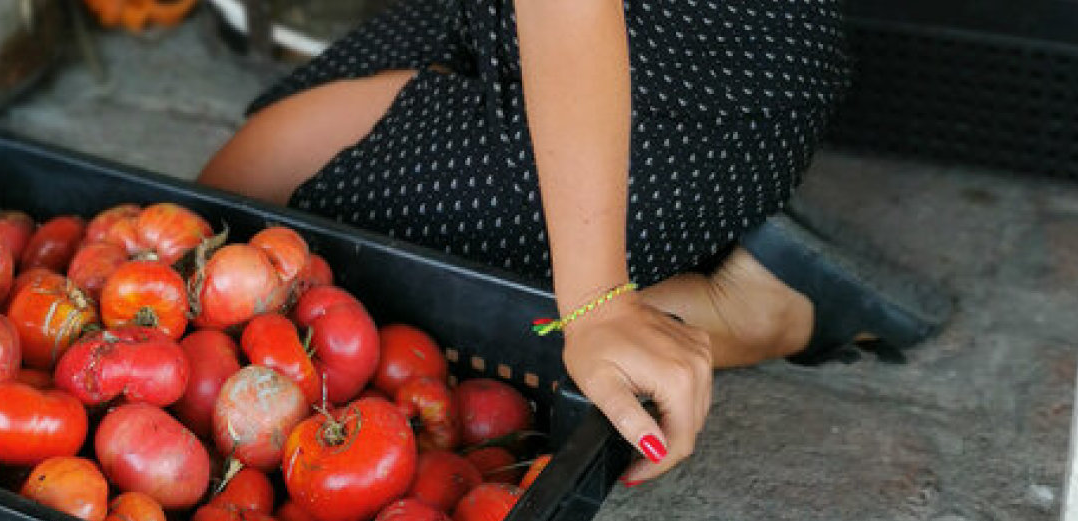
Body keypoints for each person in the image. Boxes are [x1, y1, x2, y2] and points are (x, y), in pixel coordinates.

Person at [198, 0, 947, 486]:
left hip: (704, 85)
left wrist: (597, 299)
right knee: (242, 194)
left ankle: (760, 306)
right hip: (542, 22)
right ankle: (671, 250)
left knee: (367, 293)